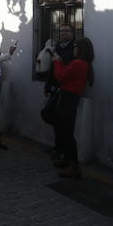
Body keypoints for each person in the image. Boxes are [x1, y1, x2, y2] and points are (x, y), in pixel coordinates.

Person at [51, 37, 94, 179]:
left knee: (67, 132)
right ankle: (67, 160)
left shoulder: (78, 63)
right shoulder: (82, 63)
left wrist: (56, 61)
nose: (74, 48)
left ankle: (74, 166)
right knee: (65, 131)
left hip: (68, 98)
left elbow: (61, 76)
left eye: (76, 46)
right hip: (69, 97)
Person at [42, 24, 76, 159]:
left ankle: (64, 152)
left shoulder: (74, 49)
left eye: (67, 31)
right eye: (61, 31)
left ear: (72, 33)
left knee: (64, 123)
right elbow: (52, 68)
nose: (64, 33)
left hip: (67, 89)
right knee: (52, 117)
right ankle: (58, 147)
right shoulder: (56, 48)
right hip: (55, 88)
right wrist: (47, 85)